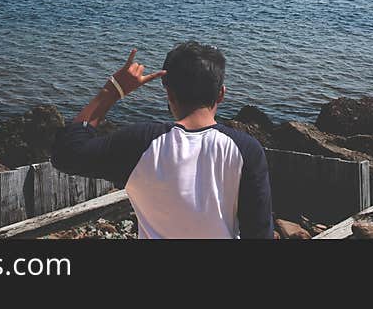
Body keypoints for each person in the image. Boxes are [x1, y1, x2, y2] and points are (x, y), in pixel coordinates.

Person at [51, 41, 274, 239]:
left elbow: (68, 152)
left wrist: (113, 90)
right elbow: (258, 232)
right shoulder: (246, 150)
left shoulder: (140, 143)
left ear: (169, 94)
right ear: (221, 94)